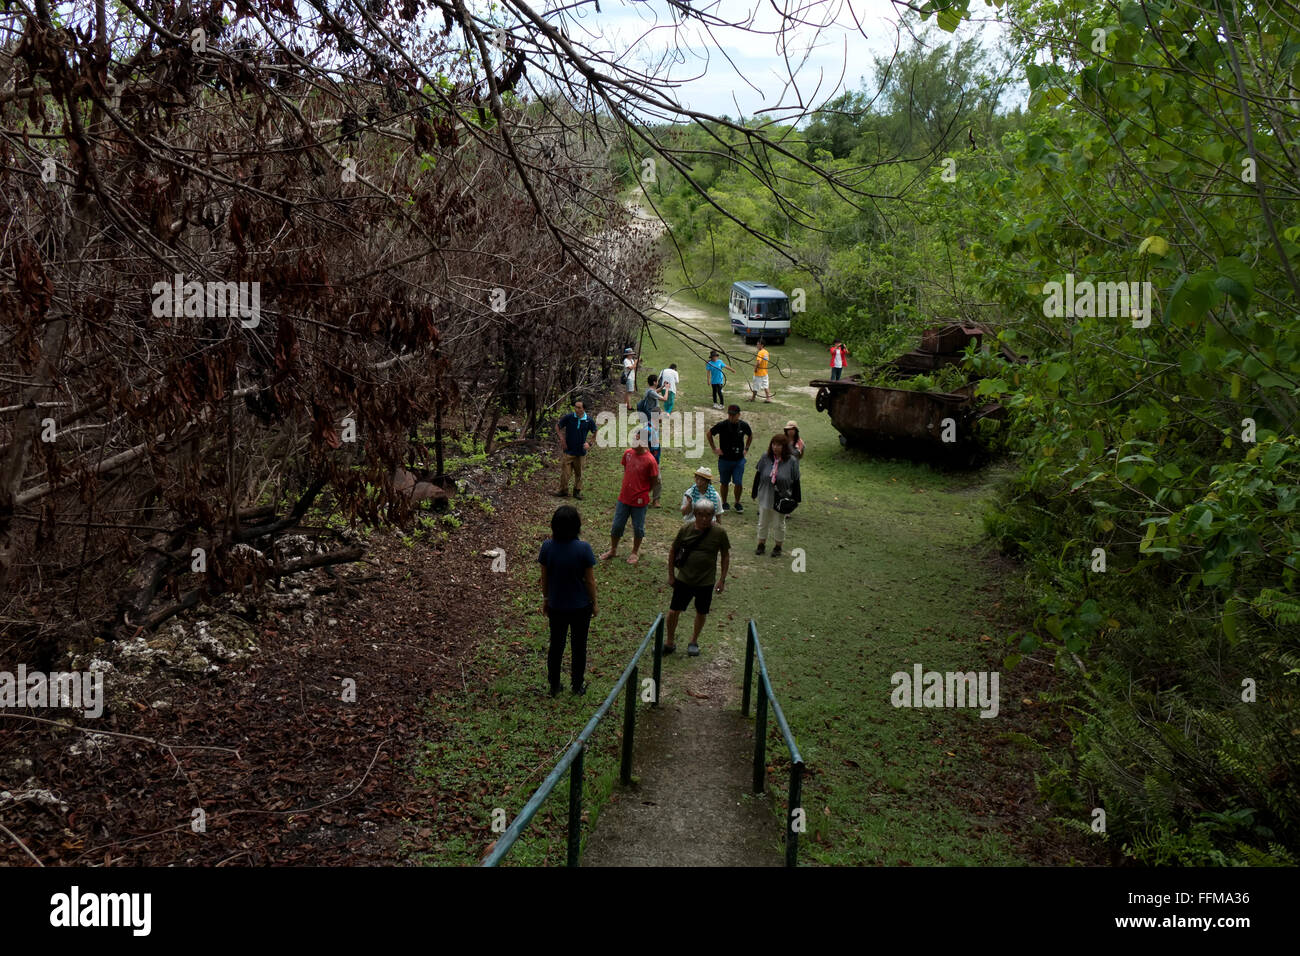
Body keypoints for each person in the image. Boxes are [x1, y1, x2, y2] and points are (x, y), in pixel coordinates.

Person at [538, 505, 598, 696]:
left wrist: (546, 599)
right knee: (579, 647)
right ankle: (577, 685)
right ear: (577, 526)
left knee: (556, 646)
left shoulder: (547, 547)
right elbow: (590, 580)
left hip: (556, 606)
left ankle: (554, 685)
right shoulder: (583, 548)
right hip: (580, 607)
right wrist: (594, 603)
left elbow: (544, 578)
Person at [665, 499, 729, 657]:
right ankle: (669, 642)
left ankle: (693, 641)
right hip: (684, 579)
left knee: (701, 612)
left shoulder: (719, 533)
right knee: (673, 611)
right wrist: (671, 575)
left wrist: (722, 579)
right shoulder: (686, 529)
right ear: (695, 514)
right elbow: (673, 550)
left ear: (713, 515)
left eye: (708, 515)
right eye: (700, 515)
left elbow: (725, 555)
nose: (704, 519)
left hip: (706, 581)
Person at [601, 427, 659, 565]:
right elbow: (626, 470)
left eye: (637, 439)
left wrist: (643, 491)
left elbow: (654, 481)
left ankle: (634, 552)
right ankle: (613, 549)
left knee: (638, 528)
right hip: (624, 498)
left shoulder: (650, 461)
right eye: (634, 437)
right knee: (616, 526)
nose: (634, 441)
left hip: (640, 501)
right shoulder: (627, 454)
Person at [751, 433, 801, 558]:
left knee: (779, 523)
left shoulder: (792, 461)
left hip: (782, 498)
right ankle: (761, 544)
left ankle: (778, 546)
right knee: (763, 521)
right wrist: (754, 492)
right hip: (765, 494)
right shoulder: (765, 457)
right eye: (773, 444)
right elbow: (758, 474)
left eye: (779, 445)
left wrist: (796, 499)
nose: (775, 447)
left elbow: (796, 481)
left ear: (784, 447)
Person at [708, 404, 752, 514]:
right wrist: (714, 448)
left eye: (734, 415)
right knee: (724, 482)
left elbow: (750, 435)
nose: (731, 417)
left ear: (739, 415)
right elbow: (709, 433)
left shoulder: (743, 425)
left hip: (739, 460)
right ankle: (724, 502)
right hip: (724, 459)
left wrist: (746, 448)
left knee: (738, 482)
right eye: (730, 415)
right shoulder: (722, 425)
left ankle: (737, 502)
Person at [554, 398, 597, 499]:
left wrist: (590, 444)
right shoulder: (569, 417)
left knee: (579, 474)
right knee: (565, 473)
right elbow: (557, 426)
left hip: (581, 452)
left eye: (579, 407)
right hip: (568, 451)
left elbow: (595, 431)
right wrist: (562, 439)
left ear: (583, 409)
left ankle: (577, 492)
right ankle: (563, 490)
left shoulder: (589, 420)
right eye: (575, 407)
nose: (576, 409)